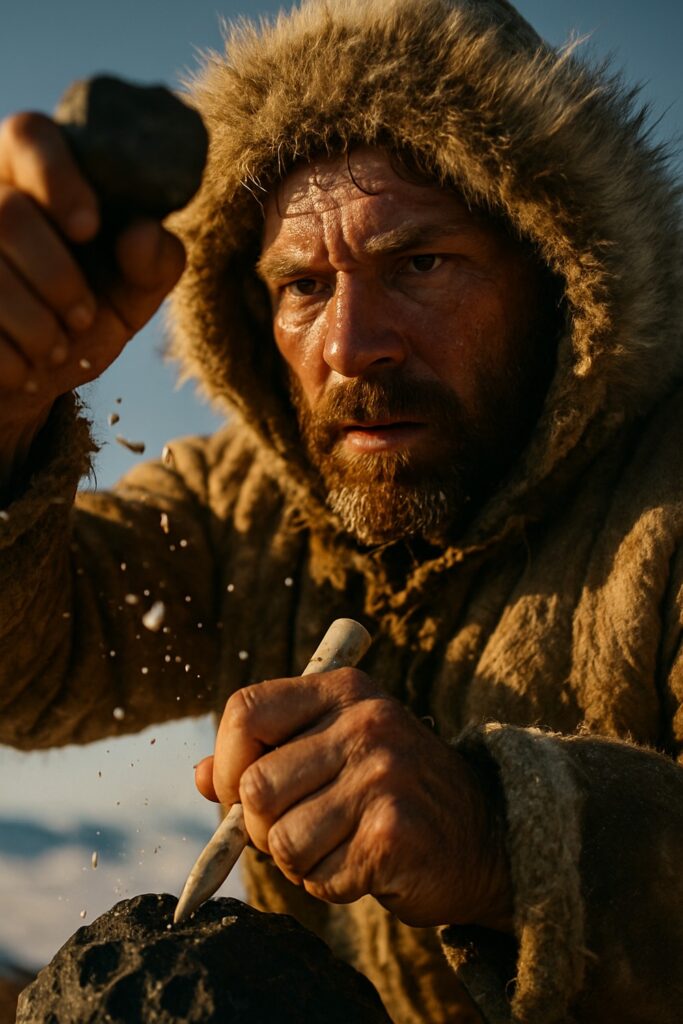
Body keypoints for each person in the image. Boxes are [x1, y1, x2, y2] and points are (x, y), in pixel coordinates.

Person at [0, 0, 681, 1021]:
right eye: (303, 284)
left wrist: (501, 839)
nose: (351, 345)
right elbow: (27, 668)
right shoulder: (245, 505)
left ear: (557, 271)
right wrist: (8, 416)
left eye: (419, 263)